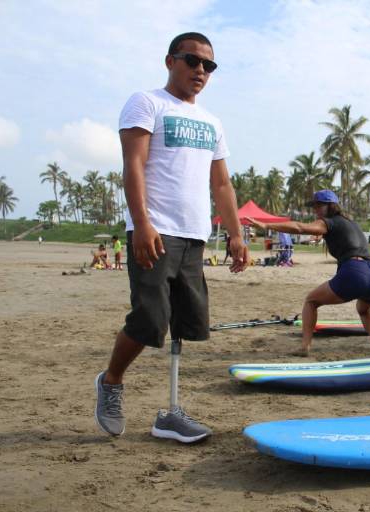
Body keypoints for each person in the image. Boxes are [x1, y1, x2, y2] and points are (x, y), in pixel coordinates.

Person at [94, 32, 249, 443]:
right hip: (156, 229)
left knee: (187, 322)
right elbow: (134, 164)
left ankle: (171, 413)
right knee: (150, 319)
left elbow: (222, 185)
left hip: (195, 234)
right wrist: (141, 223)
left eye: (208, 66)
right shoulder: (146, 103)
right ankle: (111, 381)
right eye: (192, 61)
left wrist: (235, 234)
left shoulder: (212, 122)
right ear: (170, 61)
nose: (200, 71)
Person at [246, 190, 370, 357]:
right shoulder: (350, 222)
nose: (314, 210)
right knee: (364, 310)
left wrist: (267, 225)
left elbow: (300, 227)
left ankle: (304, 347)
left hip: (355, 273)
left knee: (311, 301)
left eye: (318, 206)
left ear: (329, 206)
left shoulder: (328, 222)